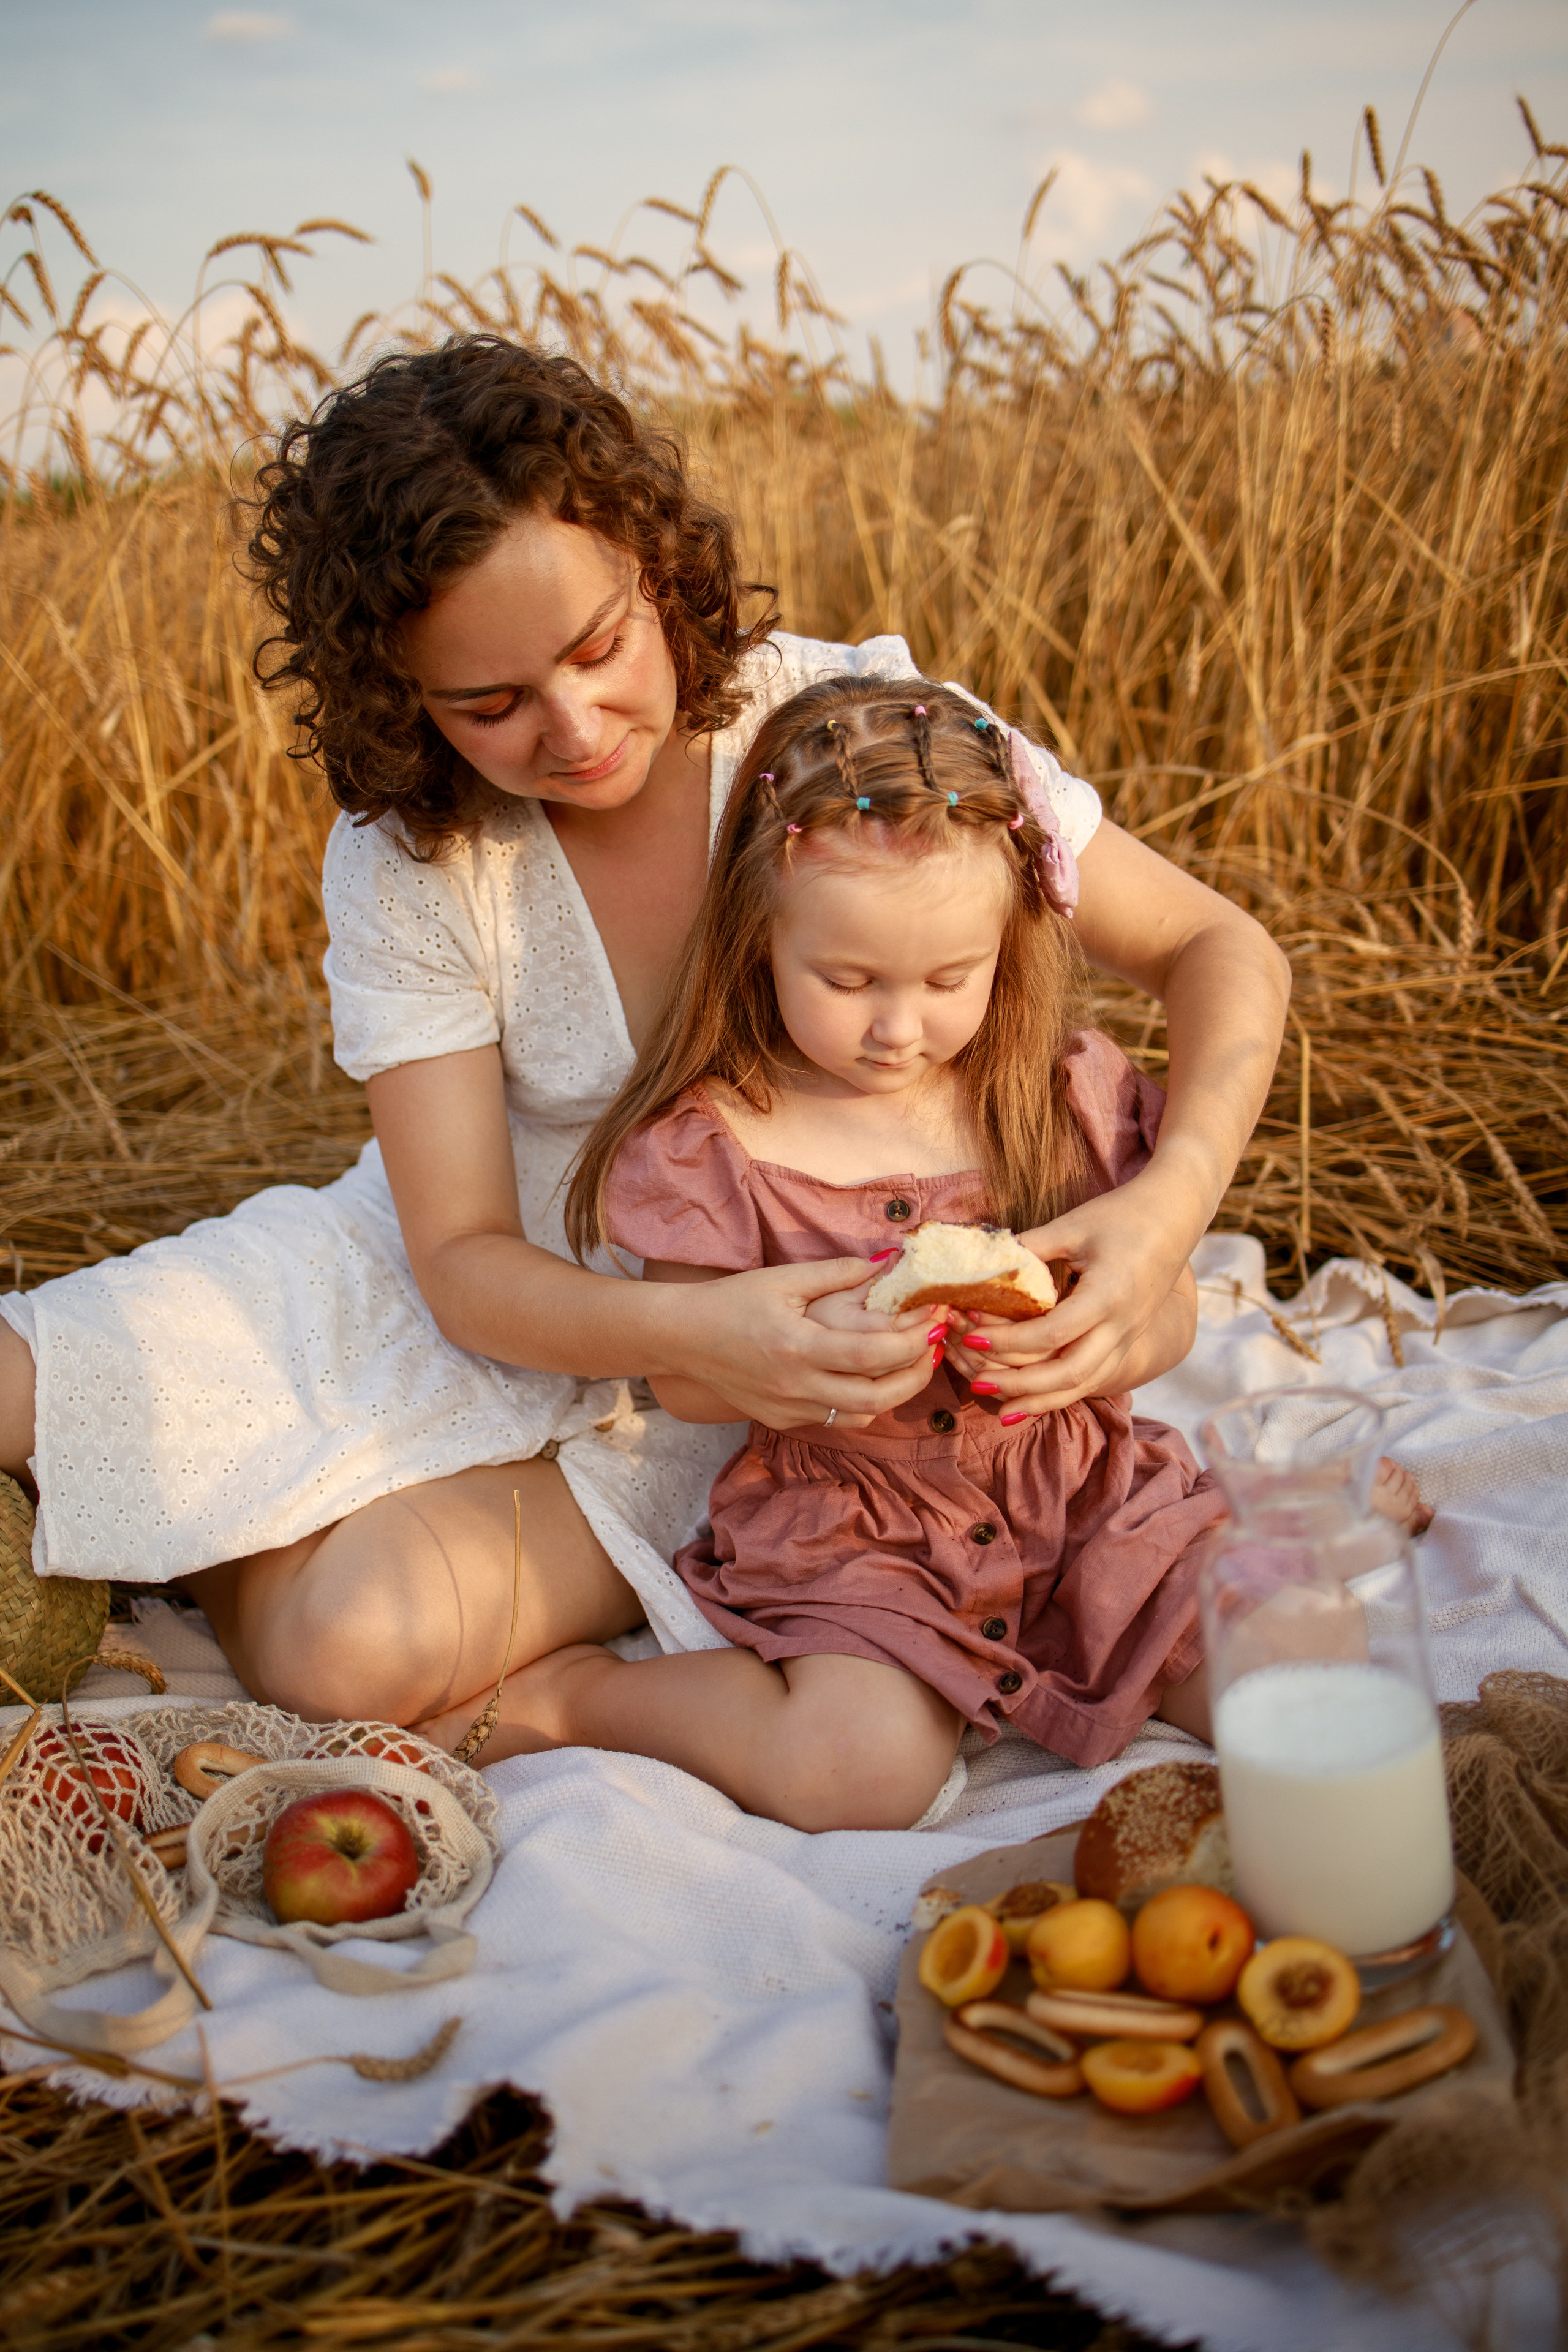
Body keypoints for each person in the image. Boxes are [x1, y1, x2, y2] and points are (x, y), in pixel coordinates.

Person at [0, 336, 1305, 1751]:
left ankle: (201, 1537)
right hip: (493, 1271)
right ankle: (186, 1487)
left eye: (596, 648)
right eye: (487, 705)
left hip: (738, 1369)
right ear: (397, 695)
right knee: (26, 1381)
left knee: (345, 1652)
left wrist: (1164, 1212)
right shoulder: (412, 856)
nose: (571, 731)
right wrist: (688, 1325)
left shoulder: (852, 744)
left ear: (651, 564)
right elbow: (456, 1261)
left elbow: (1216, 948)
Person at [410, 676, 1422, 1829]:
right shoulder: (719, 1141)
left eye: (949, 981)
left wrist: (1102, 1339)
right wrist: (794, 1357)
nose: (899, 1026)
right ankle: (580, 1698)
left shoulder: (1052, 1099)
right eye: (847, 983)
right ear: (761, 943)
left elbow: (1169, 1309)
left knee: (1288, 1680)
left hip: (1083, 1490)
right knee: (856, 1774)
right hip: (862, 1528)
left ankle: (1285, 1533)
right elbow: (686, 1379)